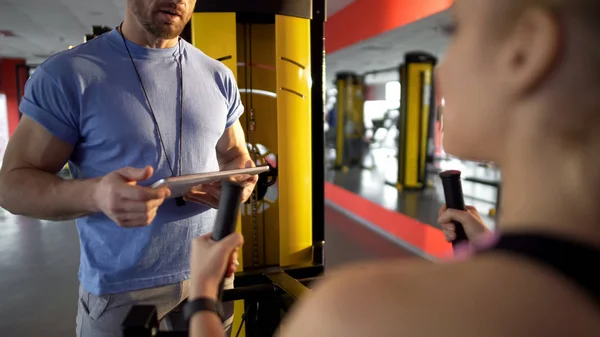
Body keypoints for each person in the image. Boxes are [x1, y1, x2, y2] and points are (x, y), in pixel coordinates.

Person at [279, 0, 600, 336]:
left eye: (454, 30)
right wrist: (487, 249)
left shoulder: (351, 316)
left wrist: (215, 305)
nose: (441, 70)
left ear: (525, 48)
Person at [0, 0, 257, 336]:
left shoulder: (218, 76)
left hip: (210, 275)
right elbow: (12, 185)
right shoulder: (69, 73)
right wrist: (96, 195)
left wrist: (239, 182)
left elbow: (236, 155)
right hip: (122, 290)